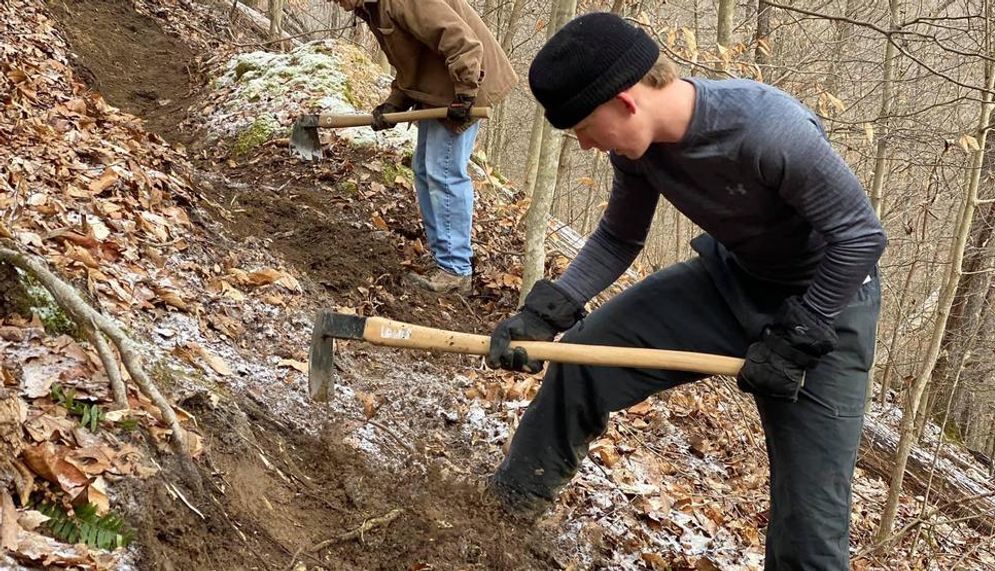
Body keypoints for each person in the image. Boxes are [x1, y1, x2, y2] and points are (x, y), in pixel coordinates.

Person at [485, 12, 886, 570]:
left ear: (625, 101)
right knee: (585, 359)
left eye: (582, 127)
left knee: (811, 529)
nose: (582, 145)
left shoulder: (768, 129)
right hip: (730, 282)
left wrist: (799, 335)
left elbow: (860, 236)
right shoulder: (639, 151)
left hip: (828, 311)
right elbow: (619, 237)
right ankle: (501, 516)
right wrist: (549, 310)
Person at [331, 0, 517, 293]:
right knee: (423, 168)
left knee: (443, 172)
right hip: (439, 90)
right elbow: (411, 60)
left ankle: (455, 269)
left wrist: (466, 90)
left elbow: (460, 40)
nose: (336, 3)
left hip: (463, 86)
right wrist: (396, 102)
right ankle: (444, 257)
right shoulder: (372, 7)